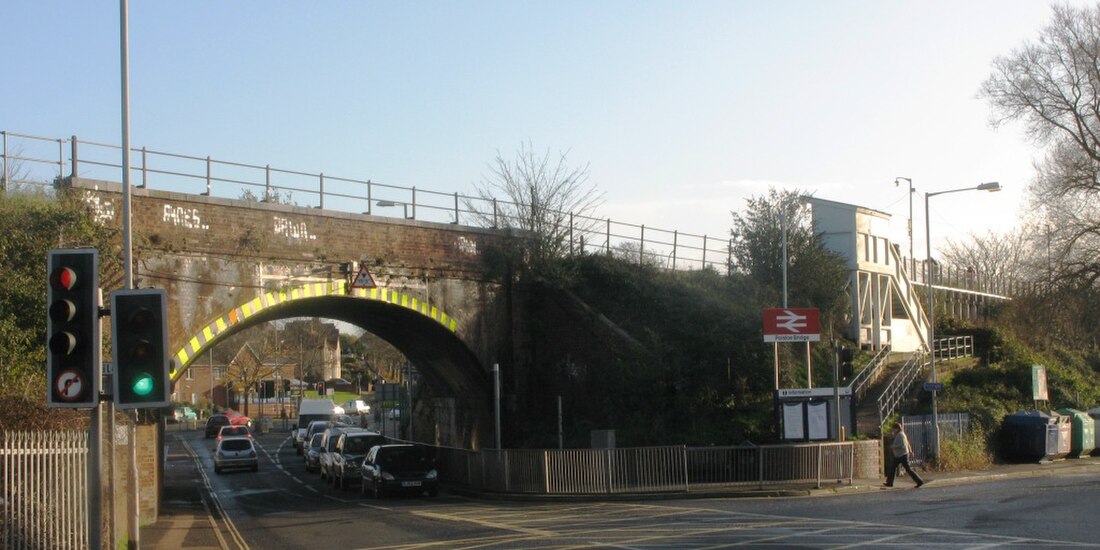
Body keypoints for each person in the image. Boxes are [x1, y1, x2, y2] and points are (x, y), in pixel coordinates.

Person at [884, 422, 925, 488]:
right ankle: (889, 482)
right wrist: (910, 450)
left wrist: (893, 447)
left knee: (907, 469)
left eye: (894, 429)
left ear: (897, 429)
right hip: (900, 455)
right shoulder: (901, 434)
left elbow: (903, 445)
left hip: (902, 455)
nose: (893, 430)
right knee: (893, 467)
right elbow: (907, 443)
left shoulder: (900, 435)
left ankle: (920, 481)